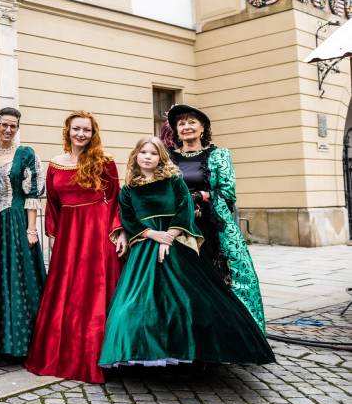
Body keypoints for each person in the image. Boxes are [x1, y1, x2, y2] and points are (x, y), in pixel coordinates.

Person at [99, 137, 275, 368]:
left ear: (161, 157)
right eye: (144, 152)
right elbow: (128, 218)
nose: (148, 157)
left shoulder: (174, 181)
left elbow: (185, 207)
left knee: (189, 299)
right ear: (136, 156)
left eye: (153, 153)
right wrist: (153, 235)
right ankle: (139, 349)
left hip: (175, 243)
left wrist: (169, 237)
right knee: (137, 302)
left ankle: (189, 350)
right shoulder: (129, 190)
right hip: (145, 246)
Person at [25, 111, 126, 384]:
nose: (81, 134)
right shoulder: (56, 164)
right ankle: (66, 354)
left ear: (93, 134)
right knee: (68, 293)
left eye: (87, 130)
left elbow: (117, 199)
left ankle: (100, 357)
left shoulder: (105, 162)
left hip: (98, 231)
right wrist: (55, 236)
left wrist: (118, 232)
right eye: (76, 129)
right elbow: (54, 205)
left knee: (94, 292)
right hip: (69, 236)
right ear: (67, 131)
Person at [167, 104, 267, 331]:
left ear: (203, 128)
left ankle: (225, 332)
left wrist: (201, 196)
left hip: (211, 225)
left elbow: (228, 193)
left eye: (192, 122)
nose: (186, 127)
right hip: (178, 225)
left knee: (221, 277)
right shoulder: (168, 156)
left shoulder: (219, 155)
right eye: (181, 123)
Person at [0, 107, 46, 358]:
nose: (8, 130)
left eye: (14, 126)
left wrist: (32, 230)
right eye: (4, 125)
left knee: (18, 278)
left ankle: (21, 343)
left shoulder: (25, 154)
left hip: (17, 222)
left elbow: (32, 195)